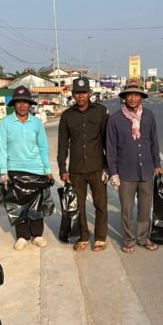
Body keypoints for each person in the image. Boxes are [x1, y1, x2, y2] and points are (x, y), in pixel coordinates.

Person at [106, 79, 162, 253]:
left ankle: (143, 237)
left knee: (145, 208)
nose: (132, 98)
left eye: (136, 95)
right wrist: (113, 172)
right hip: (125, 172)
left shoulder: (149, 116)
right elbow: (110, 147)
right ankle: (129, 239)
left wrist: (157, 164)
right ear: (124, 97)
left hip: (146, 170)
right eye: (129, 94)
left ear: (141, 97)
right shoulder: (115, 119)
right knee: (127, 209)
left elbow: (154, 141)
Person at [58, 77, 109, 252]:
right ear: (73, 94)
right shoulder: (67, 116)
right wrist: (62, 169)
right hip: (76, 169)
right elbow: (63, 143)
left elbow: (106, 141)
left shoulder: (101, 112)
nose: (81, 96)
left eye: (84, 93)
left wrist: (108, 166)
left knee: (100, 204)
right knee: (78, 205)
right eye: (78, 93)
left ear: (89, 93)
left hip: (97, 166)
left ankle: (101, 237)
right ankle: (84, 236)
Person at [0, 86, 53, 250]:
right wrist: (3, 171)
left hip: (35, 169)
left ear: (30, 105)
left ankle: (37, 235)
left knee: (36, 203)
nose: (22, 106)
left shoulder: (36, 123)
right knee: (18, 204)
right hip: (14, 169)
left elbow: (43, 147)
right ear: (14, 104)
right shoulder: (6, 123)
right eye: (18, 102)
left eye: (25, 102)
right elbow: (3, 148)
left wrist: (47, 169)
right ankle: (22, 235)